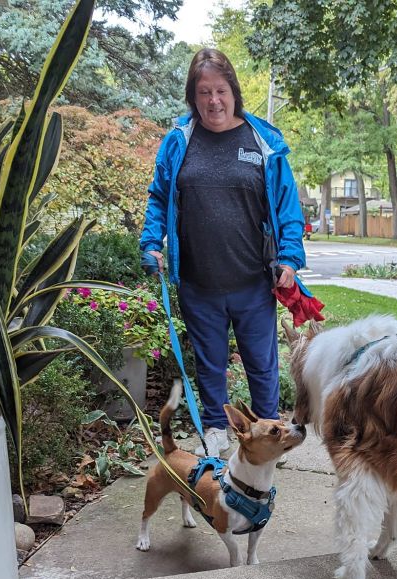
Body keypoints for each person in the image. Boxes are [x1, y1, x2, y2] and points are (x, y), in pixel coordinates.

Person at [140, 48, 310, 456]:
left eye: (220, 90)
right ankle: (217, 431)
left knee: (262, 366)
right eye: (203, 92)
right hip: (199, 283)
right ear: (193, 97)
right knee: (210, 364)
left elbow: (288, 206)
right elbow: (159, 196)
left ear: (233, 92)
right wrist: (151, 242)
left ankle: (269, 433)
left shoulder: (262, 142)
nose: (213, 100)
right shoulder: (178, 143)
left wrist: (289, 257)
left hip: (252, 282)